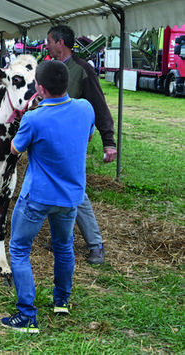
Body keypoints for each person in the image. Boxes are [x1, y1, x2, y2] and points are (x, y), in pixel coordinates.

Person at [1, 60, 95, 333]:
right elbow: (87, 137)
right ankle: (61, 301)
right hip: (70, 197)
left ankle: (27, 314)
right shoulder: (84, 108)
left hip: (37, 197)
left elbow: (15, 149)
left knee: (19, 249)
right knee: (64, 246)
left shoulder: (34, 117)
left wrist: (29, 114)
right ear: (66, 83)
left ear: (39, 88)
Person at [46, 24, 116, 265]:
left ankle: (95, 244)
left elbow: (99, 104)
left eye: (49, 41)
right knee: (56, 190)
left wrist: (109, 141)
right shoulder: (52, 68)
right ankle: (59, 240)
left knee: (76, 192)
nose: (46, 45)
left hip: (72, 143)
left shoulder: (82, 69)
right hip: (51, 142)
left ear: (59, 42)